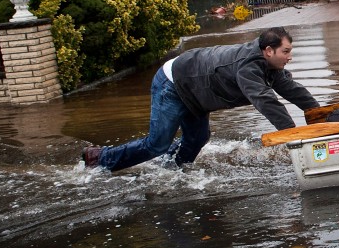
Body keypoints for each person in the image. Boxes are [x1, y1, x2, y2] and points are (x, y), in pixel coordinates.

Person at [82, 27, 319, 171]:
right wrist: (293, 135)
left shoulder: (270, 67)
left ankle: (170, 170)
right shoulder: (248, 68)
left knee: (198, 139)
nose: (290, 57)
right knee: (157, 143)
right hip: (173, 83)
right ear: (269, 50)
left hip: (194, 90)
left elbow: (292, 89)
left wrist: (320, 116)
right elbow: (266, 101)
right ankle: (100, 158)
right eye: (286, 52)